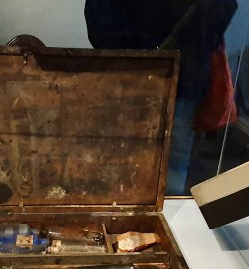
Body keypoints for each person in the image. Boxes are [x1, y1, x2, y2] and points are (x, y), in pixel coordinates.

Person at [85, 0, 237, 195]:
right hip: (135, 79)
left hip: (173, 80)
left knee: (169, 169)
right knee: (118, 166)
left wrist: (170, 48)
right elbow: (100, 25)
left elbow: (222, 7)